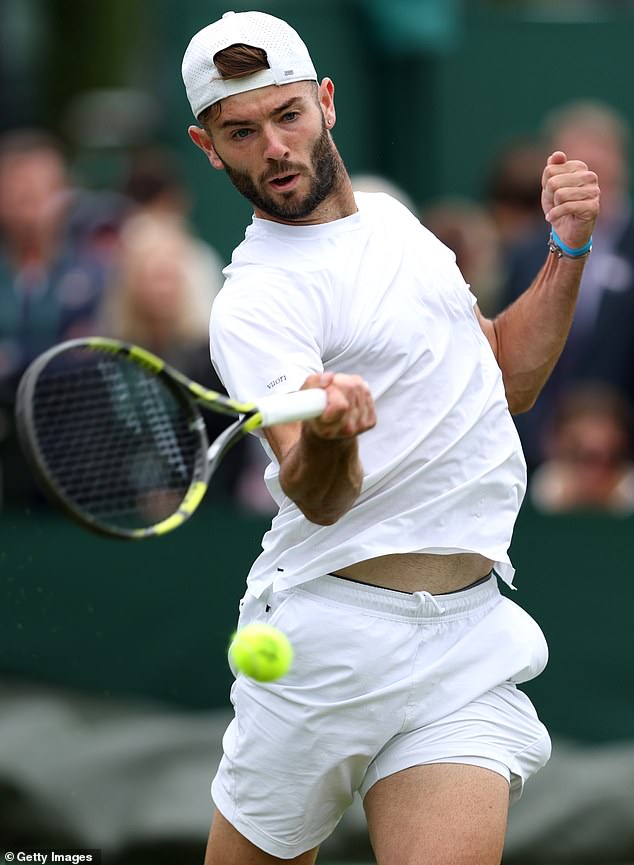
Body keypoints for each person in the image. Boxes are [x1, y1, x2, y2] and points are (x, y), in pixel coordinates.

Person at [181, 11, 599, 865]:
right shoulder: (255, 304)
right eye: (242, 131)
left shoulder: (397, 225)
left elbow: (504, 378)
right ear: (208, 147)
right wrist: (333, 437)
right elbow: (318, 491)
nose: (274, 147)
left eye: (288, 115)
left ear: (327, 102)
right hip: (326, 645)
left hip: (466, 639)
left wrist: (565, 250)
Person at [500, 100, 634, 471]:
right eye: (577, 169)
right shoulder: (523, 254)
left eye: (599, 170)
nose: (588, 185)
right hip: (539, 458)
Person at [529, 381, 634, 514]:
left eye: (608, 457)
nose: (593, 475)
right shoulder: (541, 489)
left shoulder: (628, 489)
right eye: (580, 456)